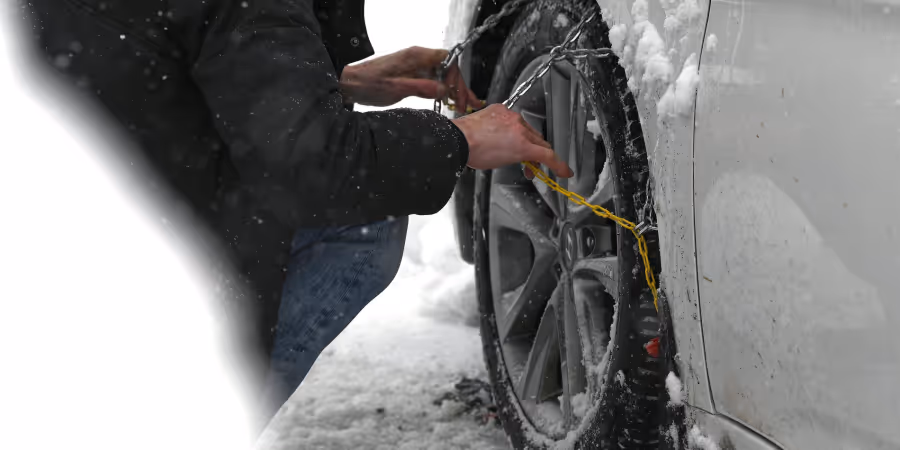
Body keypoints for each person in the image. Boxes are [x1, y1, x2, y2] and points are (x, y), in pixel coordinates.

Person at [22, 0, 572, 431]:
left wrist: (333, 81)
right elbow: (315, 169)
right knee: (361, 223)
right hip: (106, 283)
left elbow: (164, 54)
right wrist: (456, 140)